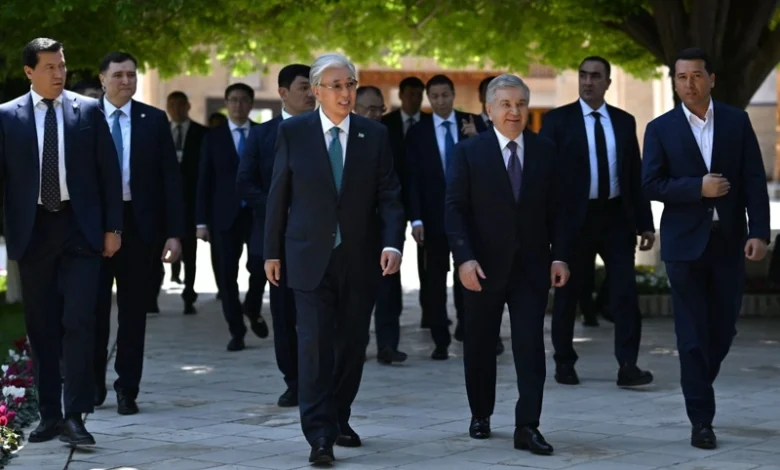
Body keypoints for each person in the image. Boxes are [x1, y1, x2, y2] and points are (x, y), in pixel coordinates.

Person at [263, 53, 405, 465]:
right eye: (337, 86)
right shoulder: (294, 132)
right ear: (317, 91)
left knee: (352, 345)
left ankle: (340, 415)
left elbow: (390, 196)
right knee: (314, 346)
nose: (346, 93)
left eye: (350, 85)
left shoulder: (373, 135)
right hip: (307, 257)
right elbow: (279, 194)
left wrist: (392, 244)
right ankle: (320, 435)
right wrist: (271, 251)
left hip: (360, 259)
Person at [642, 47, 770, 450]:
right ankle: (701, 420)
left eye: (696, 75)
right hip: (683, 246)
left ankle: (697, 382)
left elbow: (753, 179)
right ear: (674, 82)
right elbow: (651, 184)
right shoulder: (660, 128)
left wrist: (759, 232)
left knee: (724, 329)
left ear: (711, 79)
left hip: (728, 241)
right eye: (681, 77)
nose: (689, 84)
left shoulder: (736, 121)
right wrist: (697, 187)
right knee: (691, 334)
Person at [0, 38, 123, 446]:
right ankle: (50, 415)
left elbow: (109, 174)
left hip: (79, 229)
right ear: (29, 72)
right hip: (33, 232)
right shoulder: (7, 116)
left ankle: (76, 416)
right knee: (42, 328)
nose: (59, 73)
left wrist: (113, 228)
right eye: (49, 67)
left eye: (62, 65)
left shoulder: (87, 110)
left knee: (80, 320)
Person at [446, 74, 570, 455]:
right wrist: (464, 259)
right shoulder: (469, 152)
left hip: (531, 268)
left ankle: (527, 425)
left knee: (530, 346)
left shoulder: (546, 151)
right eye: (505, 104)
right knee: (480, 344)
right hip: (481, 268)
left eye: (520, 104)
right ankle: (480, 413)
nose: (514, 111)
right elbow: (454, 209)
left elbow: (559, 209)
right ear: (489, 109)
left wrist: (560, 255)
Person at [540, 56, 654, 387]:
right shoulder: (557, 121)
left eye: (595, 76)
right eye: (583, 75)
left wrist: (645, 222)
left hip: (616, 217)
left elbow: (634, 174)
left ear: (607, 83)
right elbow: (544, 178)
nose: (588, 81)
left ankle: (628, 365)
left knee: (625, 292)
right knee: (568, 292)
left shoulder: (623, 121)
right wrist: (546, 226)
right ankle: (564, 362)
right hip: (573, 220)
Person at [94, 51, 184, 415]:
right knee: (93, 309)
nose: (126, 81)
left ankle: (127, 388)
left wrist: (174, 233)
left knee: (133, 312)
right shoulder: (84, 117)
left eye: (131, 75)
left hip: (139, 226)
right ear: (102, 79)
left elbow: (170, 179)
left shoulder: (153, 119)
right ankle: (92, 382)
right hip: (95, 226)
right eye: (118, 75)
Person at [237, 63, 315, 407]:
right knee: (284, 314)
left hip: (320, 237)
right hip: (279, 239)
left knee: (320, 312)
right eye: (303, 87)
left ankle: (319, 378)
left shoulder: (328, 130)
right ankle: (293, 380)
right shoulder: (263, 135)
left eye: (314, 87)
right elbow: (245, 182)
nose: (311, 94)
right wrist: (279, 209)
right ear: (283, 93)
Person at [405, 74, 488, 359]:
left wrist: (477, 139)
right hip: (434, 218)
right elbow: (412, 180)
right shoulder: (418, 132)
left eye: (445, 95)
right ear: (429, 99)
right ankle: (440, 337)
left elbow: (492, 164)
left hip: (469, 216)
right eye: (435, 96)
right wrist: (416, 219)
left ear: (453, 95)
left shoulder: (473, 123)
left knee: (471, 273)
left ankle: (468, 327)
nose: (440, 101)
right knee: (435, 280)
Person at [197, 83, 269, 351]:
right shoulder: (212, 138)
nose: (238, 105)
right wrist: (201, 222)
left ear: (251, 104)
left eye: (243, 100)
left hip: (256, 213)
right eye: (233, 100)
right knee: (226, 275)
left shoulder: (263, 134)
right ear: (226, 104)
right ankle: (236, 330)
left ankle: (252, 306)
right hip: (223, 216)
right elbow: (204, 180)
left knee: (260, 264)